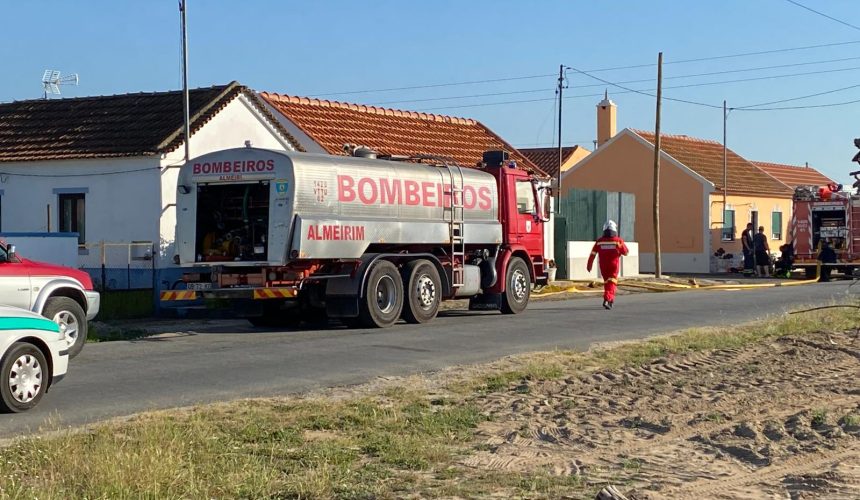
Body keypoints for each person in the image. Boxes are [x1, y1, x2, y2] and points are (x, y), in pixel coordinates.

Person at [587, 220, 629, 310]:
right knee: (612, 283)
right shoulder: (618, 241)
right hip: (613, 265)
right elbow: (626, 252)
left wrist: (589, 265)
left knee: (607, 282)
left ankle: (611, 301)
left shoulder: (599, 241)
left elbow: (592, 254)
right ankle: (607, 299)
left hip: (603, 266)